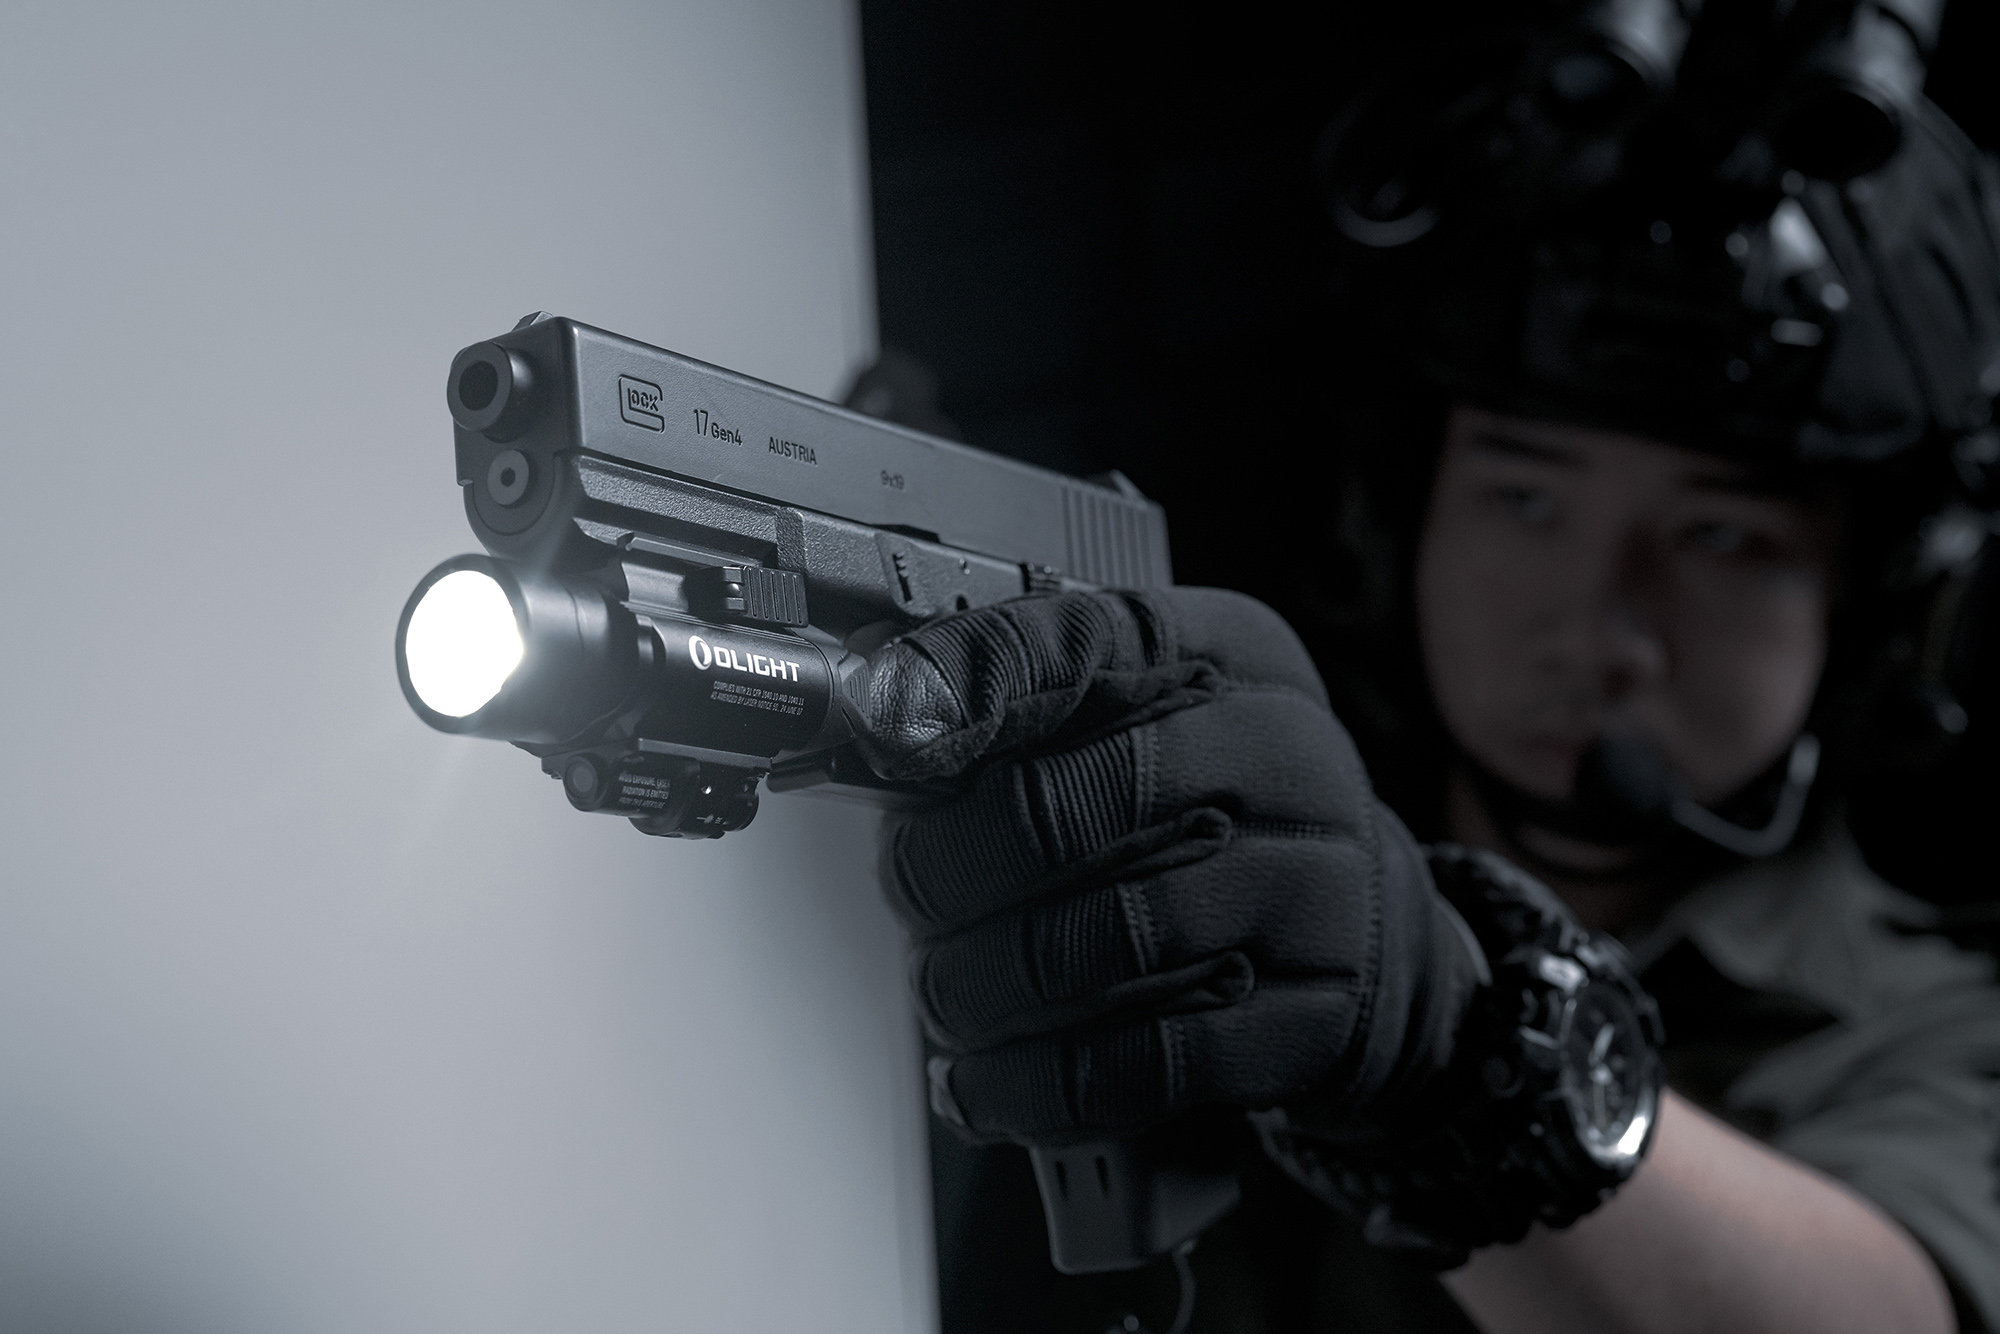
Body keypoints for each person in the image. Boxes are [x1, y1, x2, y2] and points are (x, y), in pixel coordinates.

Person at [857, 5, 2000, 1332]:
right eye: (1526, 498)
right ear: (1403, 519)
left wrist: (1447, 1048)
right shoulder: (1193, 850)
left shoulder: (1946, 1034)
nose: (1599, 623)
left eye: (1719, 536)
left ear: (1877, 606)